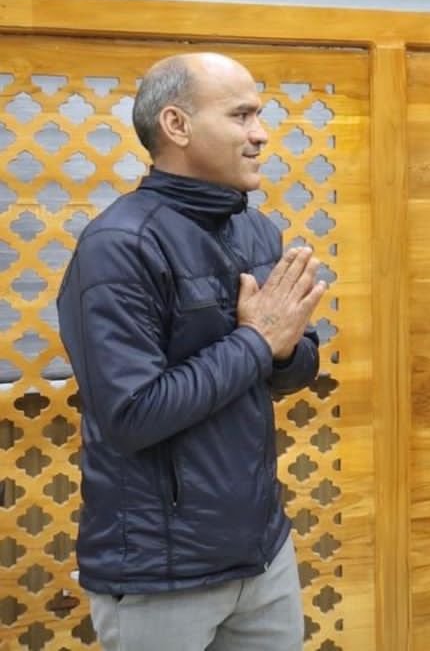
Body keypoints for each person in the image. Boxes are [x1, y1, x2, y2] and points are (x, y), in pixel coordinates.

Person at [56, 52, 327, 651]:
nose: (261, 133)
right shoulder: (119, 245)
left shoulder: (256, 230)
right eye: (241, 115)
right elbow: (132, 414)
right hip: (160, 573)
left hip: (262, 552)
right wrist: (257, 341)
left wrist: (284, 351)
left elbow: (293, 366)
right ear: (176, 126)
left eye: (259, 115)